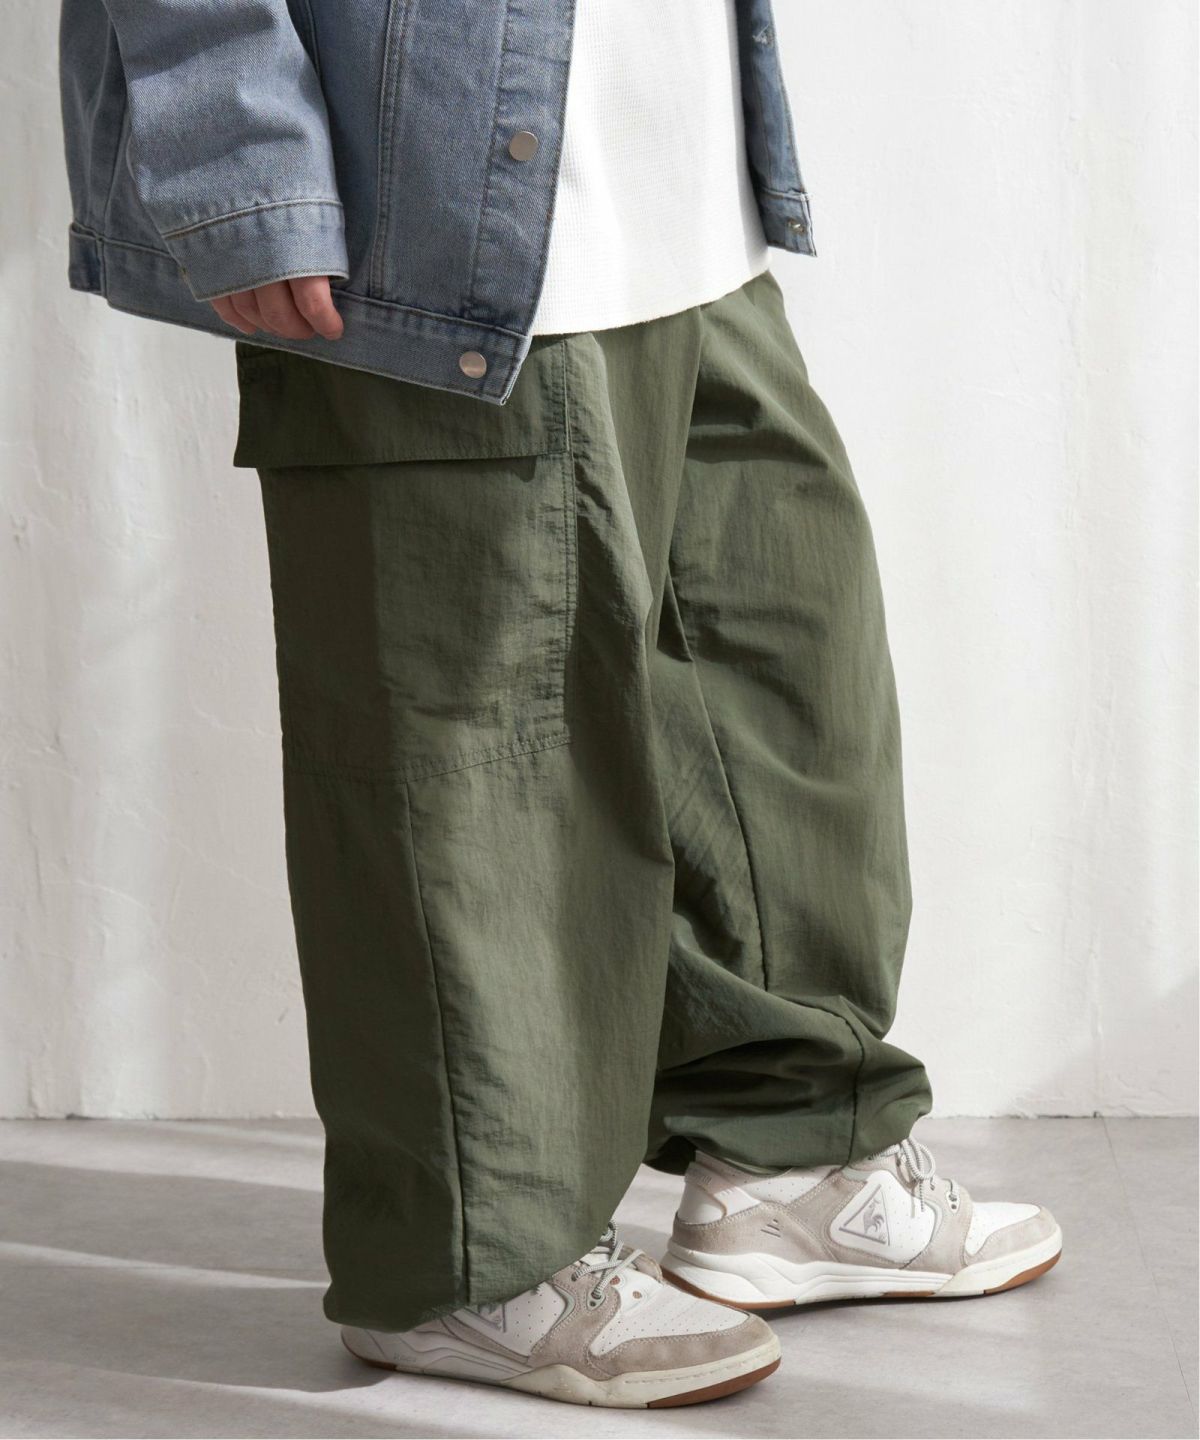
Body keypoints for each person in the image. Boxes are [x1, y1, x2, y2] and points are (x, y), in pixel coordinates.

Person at [58, 0, 1062, 1411]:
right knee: (472, 733)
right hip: (419, 198)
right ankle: (471, 1263)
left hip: (677, 191)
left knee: (782, 679)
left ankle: (790, 1156)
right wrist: (242, 155)